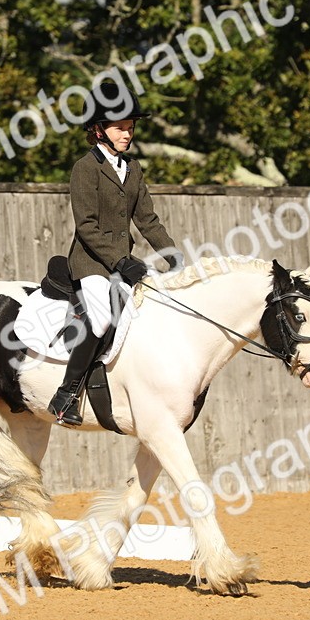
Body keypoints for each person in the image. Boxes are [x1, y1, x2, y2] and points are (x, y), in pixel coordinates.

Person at [46, 82, 184, 426]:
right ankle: (65, 395)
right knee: (103, 319)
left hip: (122, 267)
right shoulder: (85, 168)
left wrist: (174, 257)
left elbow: (147, 220)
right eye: (120, 128)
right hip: (91, 264)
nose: (127, 134)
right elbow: (87, 226)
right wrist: (121, 260)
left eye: (131, 127)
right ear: (98, 130)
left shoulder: (133, 169)